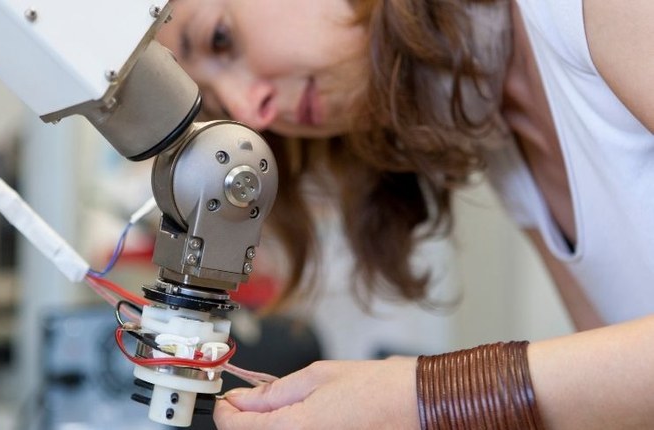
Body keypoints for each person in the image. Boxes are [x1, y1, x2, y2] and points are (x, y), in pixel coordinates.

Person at [157, 0, 654, 429]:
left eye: (220, 39)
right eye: (221, 103)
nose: (253, 111)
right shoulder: (506, 147)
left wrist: (433, 400)